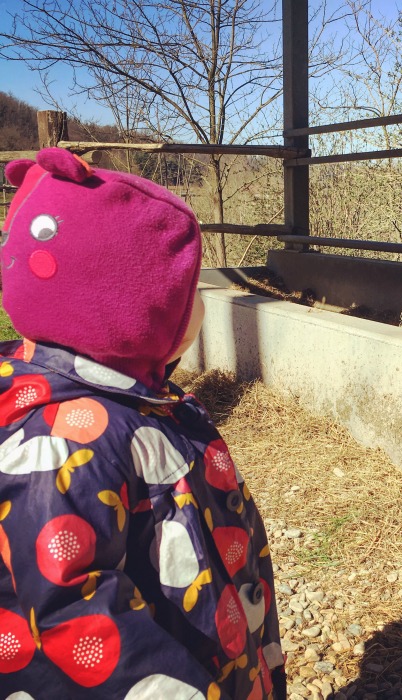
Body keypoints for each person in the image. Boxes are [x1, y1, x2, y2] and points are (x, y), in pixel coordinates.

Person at [0, 148, 285, 699]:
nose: (199, 304)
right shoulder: (59, 445)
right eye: (188, 290)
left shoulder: (145, 401)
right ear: (127, 306)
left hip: (217, 655)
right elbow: (57, 616)